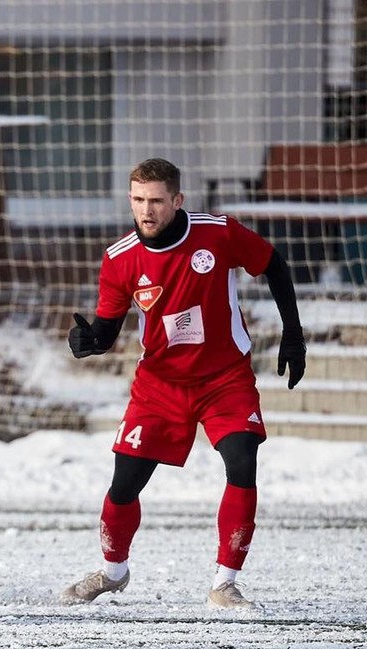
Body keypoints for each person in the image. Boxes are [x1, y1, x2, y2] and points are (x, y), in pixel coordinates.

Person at [59, 157, 307, 609]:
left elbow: (275, 265)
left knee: (242, 461)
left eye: (155, 201)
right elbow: (108, 330)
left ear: (177, 200)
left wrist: (294, 335)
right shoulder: (119, 260)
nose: (145, 211)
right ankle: (113, 572)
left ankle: (225, 584)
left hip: (225, 379)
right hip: (159, 385)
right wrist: (89, 341)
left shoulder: (217, 233)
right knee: (123, 485)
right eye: (137, 200)